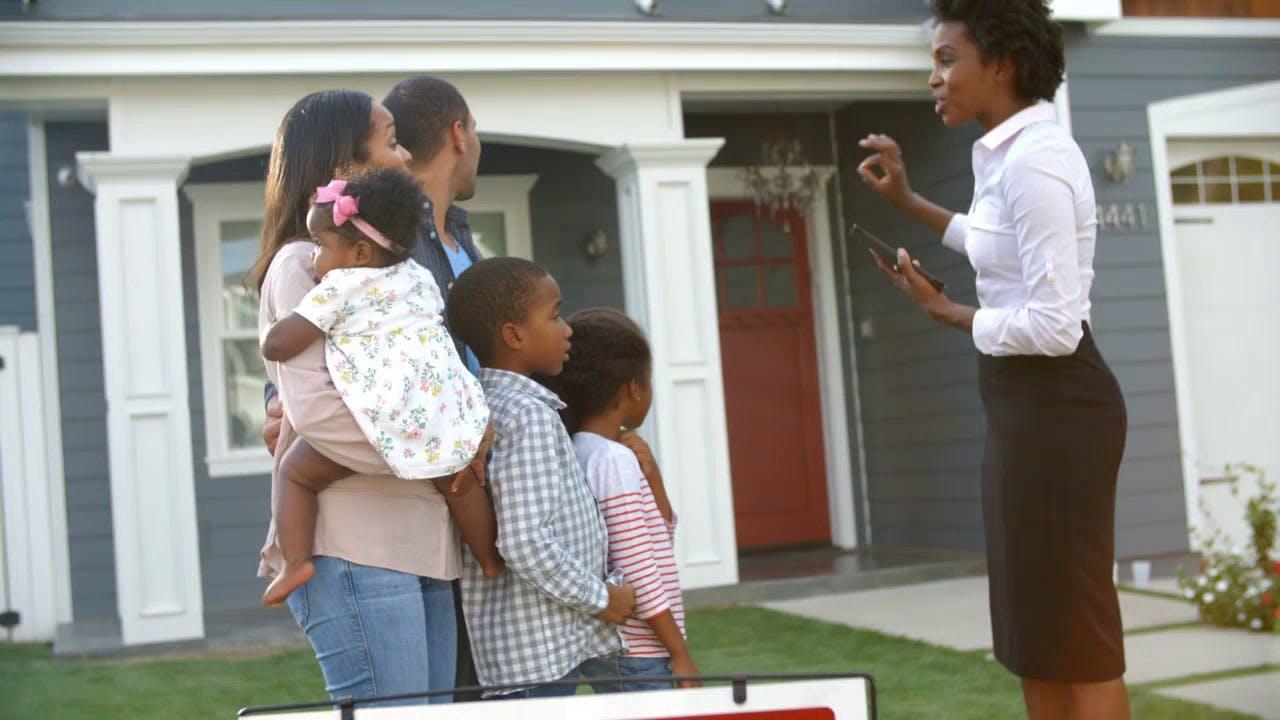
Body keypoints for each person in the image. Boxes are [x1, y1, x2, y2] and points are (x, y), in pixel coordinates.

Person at [856, 2, 1129, 719]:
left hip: (1061, 410)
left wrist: (949, 313)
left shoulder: (1036, 160)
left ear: (1002, 64)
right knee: (1034, 630)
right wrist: (909, 200)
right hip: (1021, 409)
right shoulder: (1004, 153)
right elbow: (991, 243)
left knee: (1077, 628)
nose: (934, 78)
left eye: (947, 60)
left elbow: (1056, 324)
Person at [252, 89, 465, 706]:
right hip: (354, 545)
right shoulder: (304, 266)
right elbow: (320, 416)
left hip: (425, 538)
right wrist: (437, 450)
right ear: (348, 168)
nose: (406, 158)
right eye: (391, 141)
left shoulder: (396, 276)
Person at [259, 167, 503, 607]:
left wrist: (272, 328)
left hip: (381, 414)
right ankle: (488, 559)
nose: (313, 257)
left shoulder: (339, 286)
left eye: (320, 245)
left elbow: (282, 345)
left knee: (296, 473)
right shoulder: (418, 277)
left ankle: (295, 561)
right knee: (459, 483)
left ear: (358, 252)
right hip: (438, 406)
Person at [445, 257, 636, 699]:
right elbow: (524, 540)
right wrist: (602, 597)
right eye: (553, 316)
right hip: (536, 655)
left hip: (543, 642)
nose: (567, 329)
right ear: (514, 335)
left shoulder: (493, 405)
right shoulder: (528, 416)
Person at [546, 308, 701, 692]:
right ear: (634, 387)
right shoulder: (612, 461)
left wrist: (653, 476)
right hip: (640, 652)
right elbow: (639, 568)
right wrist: (678, 651)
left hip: (614, 648)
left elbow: (657, 536)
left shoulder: (583, 451)